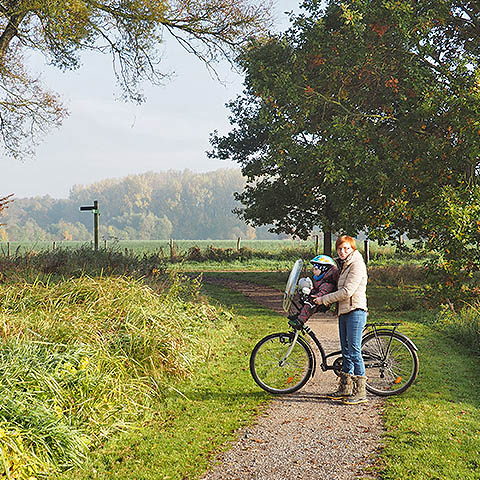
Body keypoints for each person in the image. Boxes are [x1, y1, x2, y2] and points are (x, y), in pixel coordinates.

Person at [316, 235, 368, 405]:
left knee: (354, 351)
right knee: (346, 351)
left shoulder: (356, 265)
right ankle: (345, 387)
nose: (342, 251)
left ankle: (360, 391)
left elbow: (347, 291)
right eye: (340, 248)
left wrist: (324, 300)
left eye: (346, 248)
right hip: (344, 310)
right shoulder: (344, 265)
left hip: (355, 310)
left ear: (352, 249)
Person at [288, 255, 338, 329]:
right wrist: (310, 291)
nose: (313, 271)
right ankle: (299, 315)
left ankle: (301, 320)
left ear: (324, 269)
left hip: (323, 301)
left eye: (316, 269)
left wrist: (314, 296)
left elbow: (323, 292)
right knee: (305, 302)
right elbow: (316, 289)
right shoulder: (321, 280)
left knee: (310, 304)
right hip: (319, 299)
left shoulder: (327, 283)